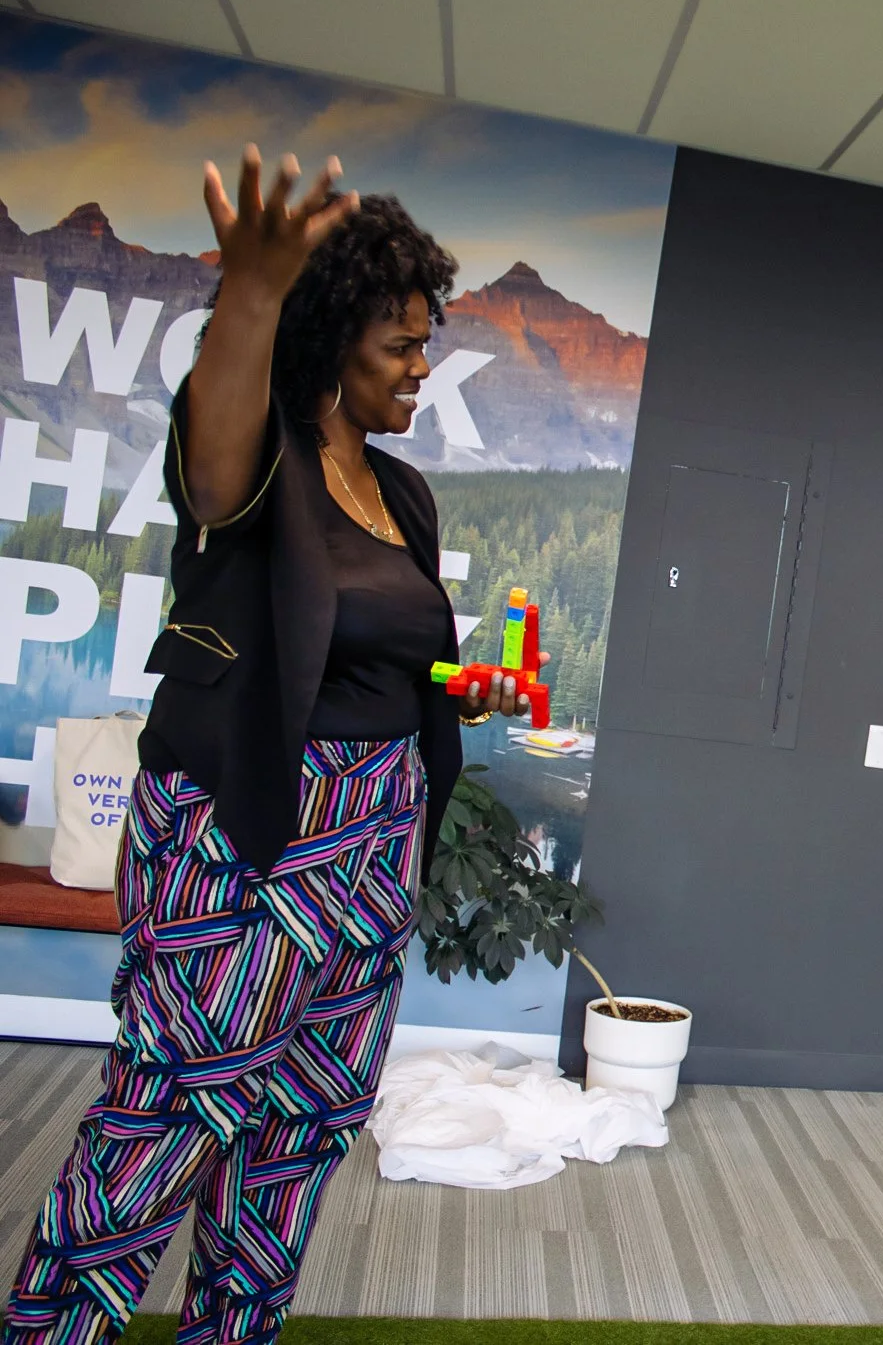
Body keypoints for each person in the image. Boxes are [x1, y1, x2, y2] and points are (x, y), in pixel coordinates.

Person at [5, 147, 538, 1345]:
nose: (421, 367)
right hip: (247, 846)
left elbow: (373, 657)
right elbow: (211, 451)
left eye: (426, 340)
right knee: (168, 1124)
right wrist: (251, 291)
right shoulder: (254, 466)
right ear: (329, 338)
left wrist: (460, 687)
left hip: (370, 855)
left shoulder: (401, 492)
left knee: (298, 1137)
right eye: (400, 343)